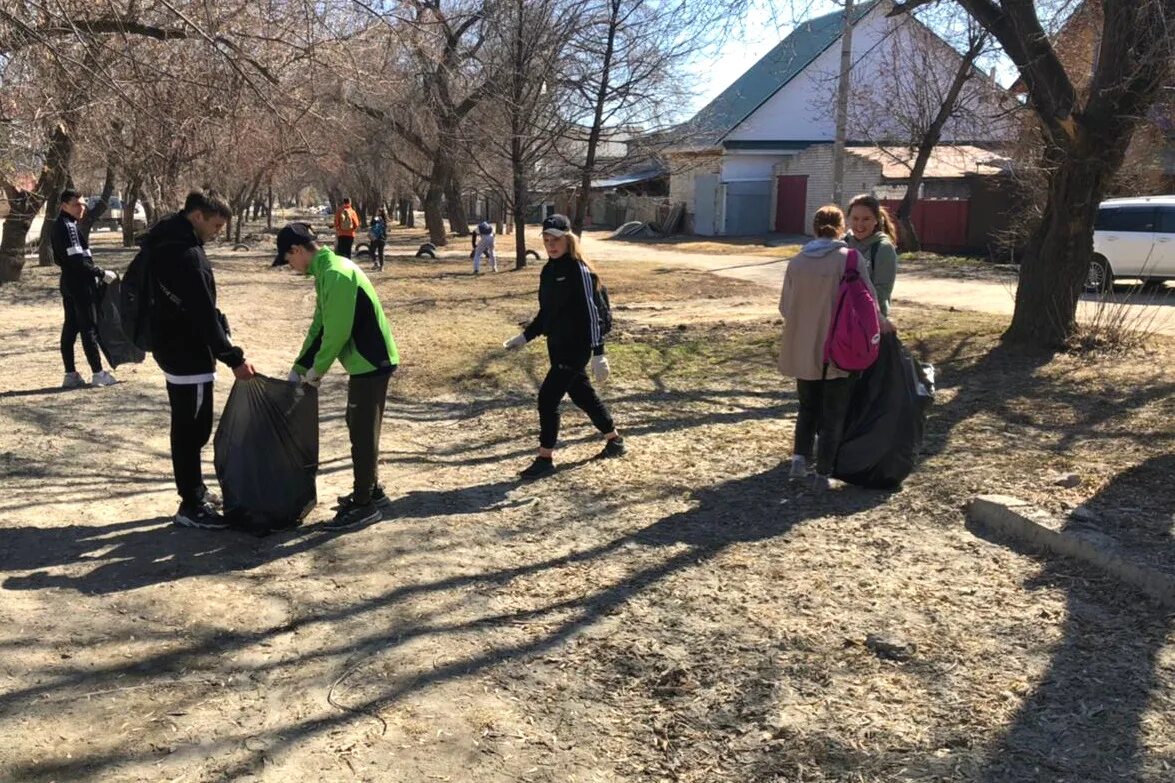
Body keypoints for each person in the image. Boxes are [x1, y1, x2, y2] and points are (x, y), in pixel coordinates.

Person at [275, 222, 400, 530]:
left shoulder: (336, 273)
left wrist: (316, 373)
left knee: (362, 431)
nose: (290, 266)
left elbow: (337, 332)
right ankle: (370, 488)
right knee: (357, 425)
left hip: (372, 362)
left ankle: (364, 504)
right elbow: (319, 327)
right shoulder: (324, 271)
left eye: (287, 259)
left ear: (298, 250)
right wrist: (299, 368)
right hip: (363, 363)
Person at [147, 189, 258, 529]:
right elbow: (201, 314)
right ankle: (190, 504)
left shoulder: (167, 240)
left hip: (175, 348)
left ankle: (194, 491)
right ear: (197, 216)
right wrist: (233, 358)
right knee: (191, 430)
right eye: (216, 225)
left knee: (190, 427)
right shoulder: (185, 253)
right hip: (188, 355)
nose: (218, 231)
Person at [502, 213, 624, 479]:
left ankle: (545, 458)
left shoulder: (578, 271)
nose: (550, 244)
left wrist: (598, 353)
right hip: (556, 345)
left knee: (547, 399)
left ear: (568, 239)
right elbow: (547, 313)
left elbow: (592, 314)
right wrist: (525, 336)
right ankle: (614, 440)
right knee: (581, 394)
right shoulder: (549, 270)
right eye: (546, 239)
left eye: (555, 239)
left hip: (575, 347)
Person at [778, 205, 880, 492]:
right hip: (839, 349)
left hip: (802, 348)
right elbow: (867, 301)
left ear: (814, 227)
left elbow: (785, 306)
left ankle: (799, 460)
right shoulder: (850, 259)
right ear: (841, 226)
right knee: (834, 413)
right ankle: (823, 474)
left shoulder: (796, 261)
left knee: (807, 406)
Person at [51, 189, 118, 388]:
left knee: (70, 327)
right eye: (77, 204)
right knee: (88, 326)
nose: (82, 208)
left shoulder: (61, 225)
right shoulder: (69, 227)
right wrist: (100, 272)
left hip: (68, 282)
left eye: (83, 204)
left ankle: (70, 374)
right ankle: (98, 373)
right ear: (64, 206)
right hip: (80, 283)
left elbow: (62, 259)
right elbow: (78, 260)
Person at [844, 193, 899, 323]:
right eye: (855, 218)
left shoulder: (883, 248)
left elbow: (882, 292)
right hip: (841, 319)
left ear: (876, 220)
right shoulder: (842, 243)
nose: (860, 224)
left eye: (866, 219)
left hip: (869, 320)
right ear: (848, 219)